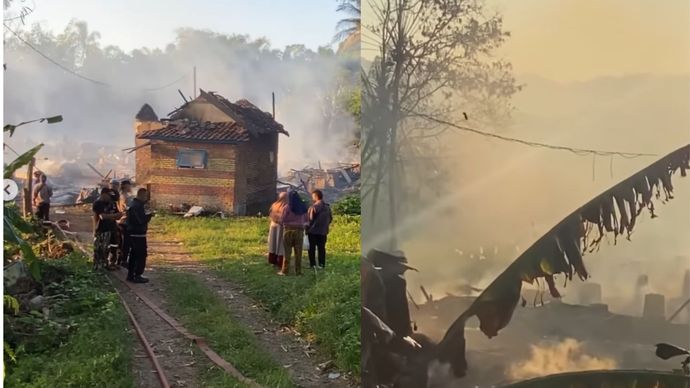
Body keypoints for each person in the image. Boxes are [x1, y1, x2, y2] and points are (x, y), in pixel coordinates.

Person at [127, 188, 154, 283]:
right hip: (137, 233)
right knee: (140, 255)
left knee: (134, 255)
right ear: (141, 195)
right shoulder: (136, 206)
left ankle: (131, 275)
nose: (146, 198)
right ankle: (137, 275)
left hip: (137, 233)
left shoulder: (138, 205)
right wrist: (149, 215)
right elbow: (140, 221)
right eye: (145, 196)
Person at [278, 191, 308, 276]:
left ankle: (285, 271)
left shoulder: (287, 207)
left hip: (288, 231)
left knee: (287, 252)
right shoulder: (303, 207)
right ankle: (298, 272)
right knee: (298, 253)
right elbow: (307, 220)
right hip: (299, 231)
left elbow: (282, 219)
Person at [92, 188, 122, 271]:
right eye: (109, 196)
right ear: (103, 194)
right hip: (102, 229)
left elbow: (119, 215)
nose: (110, 198)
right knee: (101, 248)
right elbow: (102, 216)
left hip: (112, 227)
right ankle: (100, 265)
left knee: (114, 246)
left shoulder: (112, 203)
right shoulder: (98, 203)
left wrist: (111, 216)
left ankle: (111, 263)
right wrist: (114, 216)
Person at [307, 189, 333, 269]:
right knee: (321, 248)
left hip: (313, 231)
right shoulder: (327, 207)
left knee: (312, 248)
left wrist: (306, 229)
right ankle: (321, 264)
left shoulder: (314, 207)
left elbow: (309, 220)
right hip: (323, 231)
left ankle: (313, 264)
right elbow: (330, 219)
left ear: (315, 196)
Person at [267, 192, 288, 268]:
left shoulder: (274, 205)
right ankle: (279, 261)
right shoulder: (286, 206)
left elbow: (270, 213)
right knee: (280, 243)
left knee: (273, 243)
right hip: (281, 226)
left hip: (273, 225)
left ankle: (272, 259)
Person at [117, 180, 134, 267]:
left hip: (121, 221)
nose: (130, 187)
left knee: (123, 242)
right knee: (126, 243)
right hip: (125, 221)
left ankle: (120, 260)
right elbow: (129, 209)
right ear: (125, 186)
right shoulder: (125, 196)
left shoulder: (121, 195)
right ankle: (123, 260)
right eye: (129, 185)